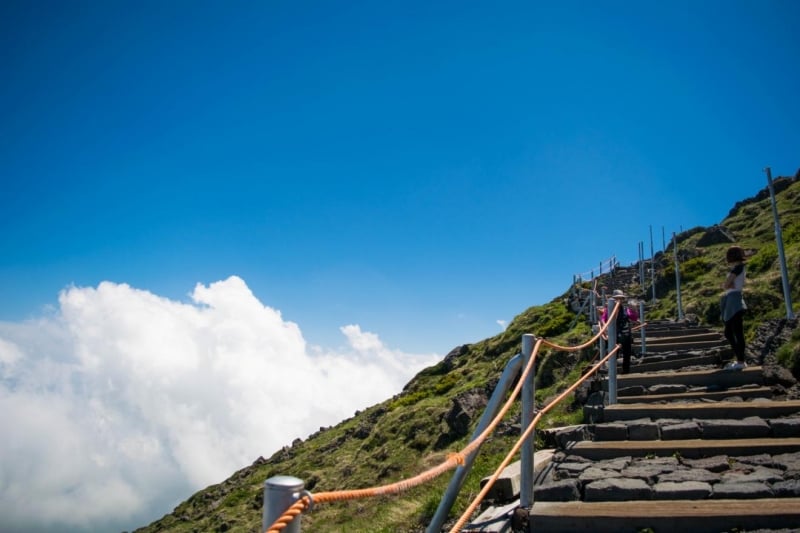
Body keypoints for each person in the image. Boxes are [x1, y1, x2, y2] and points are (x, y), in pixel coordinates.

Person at [600, 289, 640, 374]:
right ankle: (612, 372)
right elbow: (603, 318)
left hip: (626, 334)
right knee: (614, 354)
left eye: (620, 298)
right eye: (617, 298)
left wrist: (634, 310)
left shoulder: (626, 309)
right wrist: (605, 328)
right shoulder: (609, 309)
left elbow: (634, 318)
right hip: (615, 334)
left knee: (627, 353)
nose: (619, 300)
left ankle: (626, 371)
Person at [721, 245, 747, 369]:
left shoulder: (737, 268)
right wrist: (728, 285)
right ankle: (740, 360)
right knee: (732, 331)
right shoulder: (739, 268)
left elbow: (726, 285)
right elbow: (728, 285)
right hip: (734, 299)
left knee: (734, 332)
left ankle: (740, 361)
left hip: (733, 300)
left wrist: (727, 285)